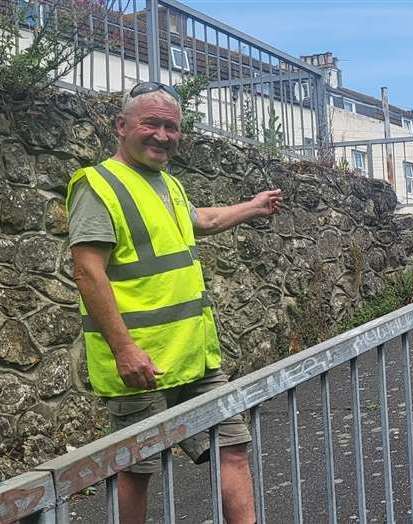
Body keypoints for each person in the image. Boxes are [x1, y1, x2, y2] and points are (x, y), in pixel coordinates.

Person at [66, 81, 282, 524]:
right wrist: (124, 349)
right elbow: (88, 271)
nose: (163, 135)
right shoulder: (98, 185)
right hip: (142, 363)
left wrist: (254, 206)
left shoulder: (166, 184)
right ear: (121, 126)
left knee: (233, 446)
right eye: (152, 123)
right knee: (137, 468)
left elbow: (201, 220)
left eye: (172, 126)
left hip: (195, 357)